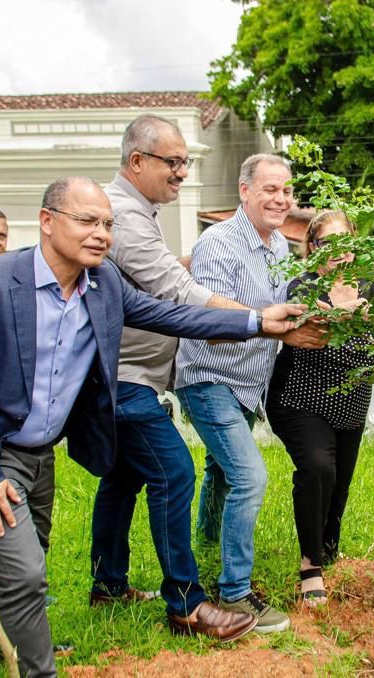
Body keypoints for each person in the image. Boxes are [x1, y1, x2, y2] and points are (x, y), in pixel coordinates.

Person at [0, 176, 305, 675]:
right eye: (87, 221)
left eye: (108, 224)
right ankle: (38, 666)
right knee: (25, 574)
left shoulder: (103, 282)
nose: (101, 234)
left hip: (41, 452)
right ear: (47, 222)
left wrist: (259, 321)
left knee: (31, 558)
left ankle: (27, 639)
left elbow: (172, 315)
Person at [90, 115, 283, 639]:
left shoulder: (140, 212)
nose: (181, 172)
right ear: (137, 162)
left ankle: (107, 585)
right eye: (172, 162)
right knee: (174, 473)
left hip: (137, 375)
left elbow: (156, 276)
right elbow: (176, 290)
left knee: (123, 478)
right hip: (126, 376)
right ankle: (187, 605)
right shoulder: (124, 214)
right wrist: (256, 321)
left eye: (185, 163)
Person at [176, 153, 324, 632]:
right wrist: (281, 331)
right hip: (209, 376)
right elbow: (212, 325)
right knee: (250, 476)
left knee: (220, 469)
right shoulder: (217, 243)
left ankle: (205, 540)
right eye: (270, 189)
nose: (281, 198)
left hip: (247, 383)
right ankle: (235, 593)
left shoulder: (280, 245)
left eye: (286, 190)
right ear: (244, 191)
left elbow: (278, 308)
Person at [267, 211, 374, 606]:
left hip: (351, 401)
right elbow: (308, 323)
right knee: (318, 468)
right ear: (313, 248)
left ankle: (329, 551)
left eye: (347, 244)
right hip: (299, 398)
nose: (339, 253)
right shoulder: (304, 285)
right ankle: (310, 565)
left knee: (339, 482)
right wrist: (345, 314)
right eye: (328, 244)